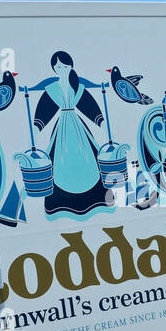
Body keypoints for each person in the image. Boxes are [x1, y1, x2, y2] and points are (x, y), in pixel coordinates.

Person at [27, 51, 112, 218]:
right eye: (58, 66)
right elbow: (45, 111)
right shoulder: (52, 89)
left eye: (64, 66)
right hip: (62, 129)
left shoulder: (78, 87)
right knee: (59, 164)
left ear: (71, 66)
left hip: (78, 127)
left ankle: (97, 199)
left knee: (90, 161)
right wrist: (36, 129)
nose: (61, 69)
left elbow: (89, 107)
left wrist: (102, 124)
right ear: (54, 68)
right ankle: (61, 203)